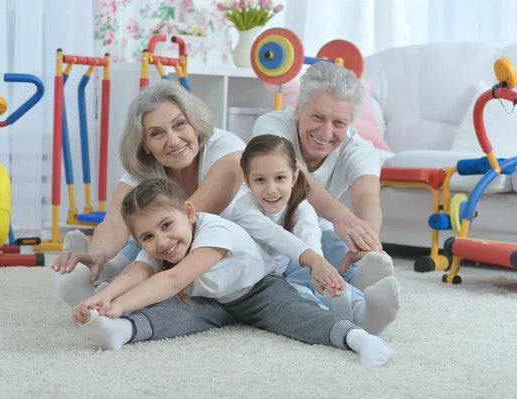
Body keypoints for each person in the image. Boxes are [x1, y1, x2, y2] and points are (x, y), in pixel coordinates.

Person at [70, 177, 395, 367]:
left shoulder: (216, 231)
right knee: (171, 313)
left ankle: (358, 339)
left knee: (299, 314)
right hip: (210, 299)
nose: (162, 242)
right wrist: (104, 299)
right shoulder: (160, 244)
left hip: (259, 290)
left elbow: (172, 278)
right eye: (148, 237)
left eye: (167, 226)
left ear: (189, 213)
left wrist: (120, 304)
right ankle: (121, 332)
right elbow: (135, 273)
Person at [52, 80, 249, 306]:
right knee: (142, 231)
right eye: (157, 134)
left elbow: (186, 226)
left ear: (194, 124)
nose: (173, 141)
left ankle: (112, 285)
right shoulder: (144, 167)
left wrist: (135, 275)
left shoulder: (226, 149)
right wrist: (98, 254)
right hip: (172, 248)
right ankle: (96, 276)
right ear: (144, 144)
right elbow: (116, 221)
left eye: (180, 124)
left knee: (157, 234)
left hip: (215, 253)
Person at [231, 134, 399, 335]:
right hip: (258, 277)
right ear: (247, 182)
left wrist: (320, 270)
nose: (271, 189)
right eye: (260, 180)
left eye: (280, 178)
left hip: (288, 267)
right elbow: (277, 237)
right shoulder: (243, 209)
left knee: (319, 277)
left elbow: (310, 240)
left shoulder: (302, 207)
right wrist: (316, 263)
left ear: (294, 177)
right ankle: (335, 315)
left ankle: (361, 311)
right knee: (296, 294)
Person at [251, 61, 393, 292]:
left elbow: (367, 196)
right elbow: (296, 174)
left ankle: (363, 286)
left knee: (336, 251)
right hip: (266, 229)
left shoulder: (359, 148)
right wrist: (341, 216)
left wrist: (366, 242)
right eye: (318, 117)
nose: (326, 132)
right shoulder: (272, 126)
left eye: (338, 123)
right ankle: (342, 294)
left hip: (316, 231)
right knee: (302, 265)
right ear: (298, 109)